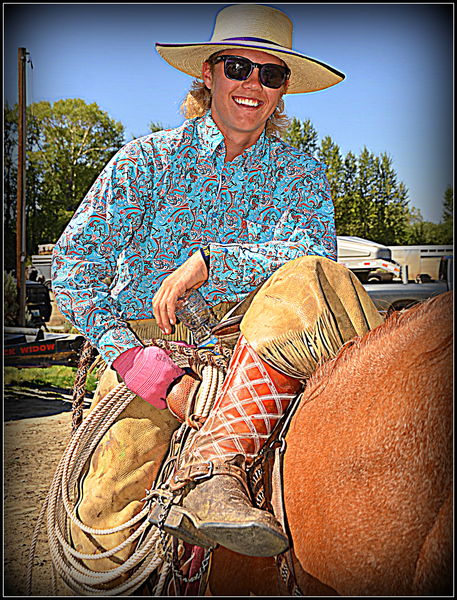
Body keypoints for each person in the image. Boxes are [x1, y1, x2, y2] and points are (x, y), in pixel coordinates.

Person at [52, 4, 345, 557]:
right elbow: (73, 267)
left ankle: (216, 472)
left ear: (283, 91)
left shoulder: (301, 172)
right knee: (108, 518)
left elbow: (312, 261)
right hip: (153, 343)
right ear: (206, 74)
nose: (253, 84)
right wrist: (138, 362)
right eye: (238, 67)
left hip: (263, 343)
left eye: (271, 74)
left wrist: (211, 260)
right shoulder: (144, 162)